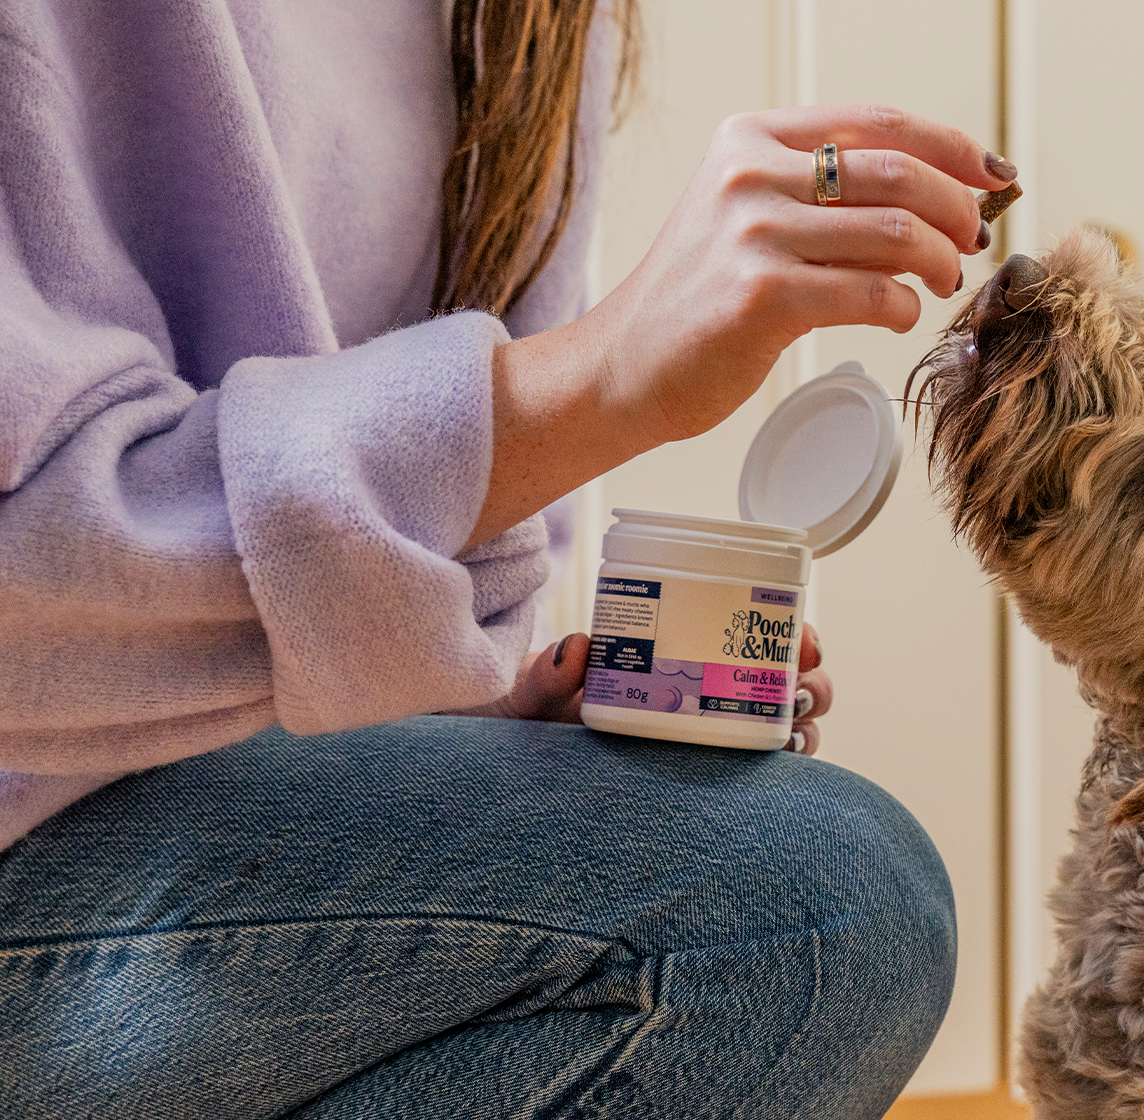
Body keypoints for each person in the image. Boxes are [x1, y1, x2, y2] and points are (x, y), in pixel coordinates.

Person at [0, 1, 1014, 1115]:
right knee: (818, 904)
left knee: (799, 874)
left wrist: (493, 718)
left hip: (204, 810)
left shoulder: (527, 30)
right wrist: (600, 374)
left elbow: (439, 585)